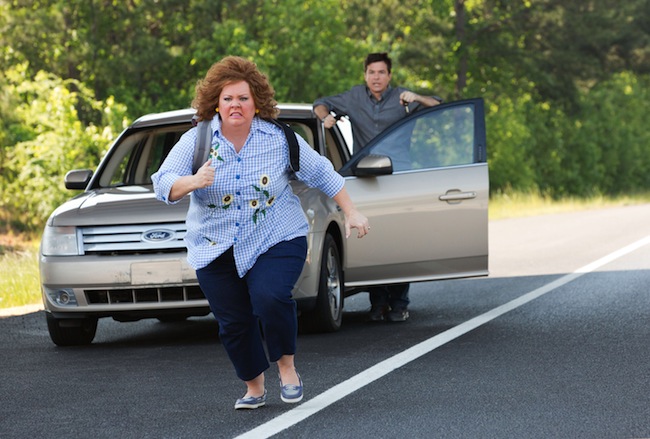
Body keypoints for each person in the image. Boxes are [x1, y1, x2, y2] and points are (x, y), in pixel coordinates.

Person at [152, 56, 369, 410]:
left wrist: (352, 211)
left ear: (257, 104)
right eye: (228, 99)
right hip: (215, 244)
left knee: (270, 297)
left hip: (277, 235)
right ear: (216, 104)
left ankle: (287, 369)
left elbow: (322, 172)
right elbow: (163, 184)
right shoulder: (197, 141)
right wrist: (193, 181)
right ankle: (254, 386)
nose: (235, 105)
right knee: (233, 322)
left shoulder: (280, 138)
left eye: (243, 98)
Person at [313, 52, 442, 323]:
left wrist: (416, 98)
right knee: (372, 239)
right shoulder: (355, 97)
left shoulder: (402, 98)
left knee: (400, 240)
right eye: (372, 72)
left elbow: (438, 105)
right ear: (365, 75)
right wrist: (325, 118)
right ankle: (378, 302)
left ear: (389, 76)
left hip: (399, 178)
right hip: (367, 180)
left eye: (381, 72)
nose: (376, 77)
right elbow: (320, 104)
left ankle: (399, 303)